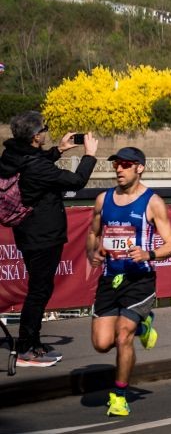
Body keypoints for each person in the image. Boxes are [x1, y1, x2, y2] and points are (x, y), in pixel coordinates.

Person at [0, 111, 98, 367]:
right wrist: (89, 155)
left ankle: (32, 341)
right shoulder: (35, 166)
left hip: (26, 231)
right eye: (43, 130)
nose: (46, 132)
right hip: (42, 235)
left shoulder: (12, 154)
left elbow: (33, 161)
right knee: (39, 290)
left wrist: (58, 150)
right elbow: (76, 181)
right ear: (35, 137)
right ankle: (25, 349)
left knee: (38, 288)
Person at [87, 147, 171, 418]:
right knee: (102, 343)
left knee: (123, 334)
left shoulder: (153, 202)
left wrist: (148, 253)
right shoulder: (104, 199)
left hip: (140, 280)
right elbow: (93, 234)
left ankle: (119, 395)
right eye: (116, 165)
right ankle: (143, 326)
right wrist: (93, 252)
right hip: (109, 279)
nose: (119, 169)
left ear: (140, 168)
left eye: (125, 165)